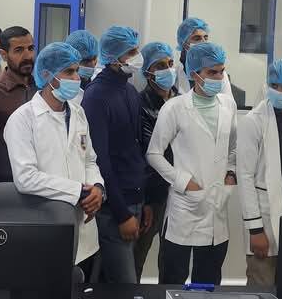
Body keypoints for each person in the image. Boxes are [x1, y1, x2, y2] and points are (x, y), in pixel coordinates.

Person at [4, 42, 104, 280]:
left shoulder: (78, 112)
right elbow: (26, 178)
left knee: (84, 293)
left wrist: (97, 188)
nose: (76, 77)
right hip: (45, 226)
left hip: (85, 227)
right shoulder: (23, 119)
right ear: (47, 75)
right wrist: (79, 191)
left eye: (77, 71)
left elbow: (90, 159)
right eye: (69, 72)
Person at [146, 43, 238, 285]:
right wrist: (183, 182)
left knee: (208, 282)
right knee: (173, 280)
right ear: (194, 73)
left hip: (217, 206)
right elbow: (154, 154)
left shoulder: (228, 105)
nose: (219, 77)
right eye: (212, 72)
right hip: (185, 207)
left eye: (221, 71)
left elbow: (233, 148)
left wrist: (231, 174)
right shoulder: (174, 108)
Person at [82, 26, 149, 283]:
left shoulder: (129, 91)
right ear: (113, 57)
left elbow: (136, 150)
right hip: (114, 208)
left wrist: (144, 201)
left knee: (126, 281)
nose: (136, 57)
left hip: (135, 200)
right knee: (124, 286)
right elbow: (101, 160)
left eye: (136, 50)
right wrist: (122, 213)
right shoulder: (96, 97)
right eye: (130, 52)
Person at [238, 58, 282, 288]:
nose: (279, 91)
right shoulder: (253, 121)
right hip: (264, 218)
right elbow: (245, 177)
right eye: (274, 85)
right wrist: (255, 229)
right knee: (262, 286)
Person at [135, 40, 178, 280]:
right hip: (153, 195)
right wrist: (148, 201)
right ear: (147, 72)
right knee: (137, 255)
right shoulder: (139, 105)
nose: (168, 70)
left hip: (181, 191)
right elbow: (143, 156)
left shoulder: (183, 101)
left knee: (172, 260)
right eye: (160, 65)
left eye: (170, 63)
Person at [0, 26, 37, 184]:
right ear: (3, 54)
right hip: (3, 183)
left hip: (39, 181)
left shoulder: (41, 89)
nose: (28, 56)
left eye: (31, 48)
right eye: (19, 50)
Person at [173, 17, 232, 96]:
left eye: (205, 38)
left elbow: (227, 101)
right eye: (197, 38)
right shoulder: (175, 74)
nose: (203, 42)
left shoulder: (218, 72)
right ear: (184, 44)